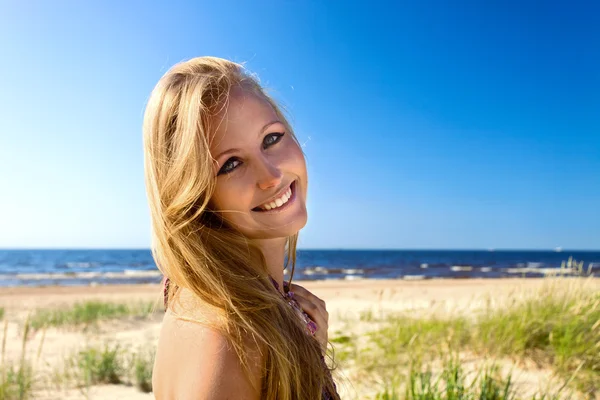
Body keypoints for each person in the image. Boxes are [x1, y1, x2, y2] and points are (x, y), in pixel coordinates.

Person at [143, 56, 340, 399]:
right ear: (195, 195)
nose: (272, 175)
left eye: (272, 138)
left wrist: (307, 356)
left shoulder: (227, 306)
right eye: (231, 164)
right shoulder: (230, 333)